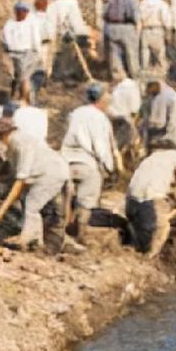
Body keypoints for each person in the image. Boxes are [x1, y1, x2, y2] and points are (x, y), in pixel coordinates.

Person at [0, 116, 74, 254]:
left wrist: (7, 203)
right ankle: (47, 242)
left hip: (51, 173)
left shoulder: (21, 142)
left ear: (2, 134)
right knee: (37, 205)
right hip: (48, 173)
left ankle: (31, 241)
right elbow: (16, 176)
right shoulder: (14, 144)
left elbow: (21, 179)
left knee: (31, 206)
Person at [61, 83, 119, 243]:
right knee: (85, 203)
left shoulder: (76, 113)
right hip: (87, 163)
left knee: (66, 199)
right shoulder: (100, 118)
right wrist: (109, 167)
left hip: (66, 161)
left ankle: (61, 233)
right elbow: (100, 146)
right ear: (101, 100)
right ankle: (80, 236)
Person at [2, 1, 46, 103]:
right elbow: (5, 38)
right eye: (18, 11)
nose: (21, 13)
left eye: (23, 11)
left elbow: (35, 38)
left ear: (26, 12)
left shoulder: (31, 23)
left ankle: (25, 98)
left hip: (28, 53)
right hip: (14, 54)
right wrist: (8, 47)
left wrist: (38, 51)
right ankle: (19, 95)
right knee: (19, 76)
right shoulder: (9, 24)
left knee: (25, 77)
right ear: (15, 12)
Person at [102, 0, 141, 81]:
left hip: (111, 27)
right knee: (131, 53)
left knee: (114, 54)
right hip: (126, 27)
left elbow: (103, 14)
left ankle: (118, 78)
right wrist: (138, 30)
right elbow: (136, 14)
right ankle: (135, 77)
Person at [138, 0, 173, 73]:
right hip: (157, 29)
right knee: (160, 51)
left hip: (145, 29)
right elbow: (166, 18)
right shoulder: (161, 3)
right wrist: (168, 31)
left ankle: (144, 69)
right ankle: (162, 71)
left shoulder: (142, 3)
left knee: (145, 51)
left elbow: (139, 17)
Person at [144, 76, 176, 151]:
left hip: (174, 108)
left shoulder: (164, 96)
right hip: (175, 106)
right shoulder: (158, 92)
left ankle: (169, 142)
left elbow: (161, 120)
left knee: (171, 126)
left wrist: (152, 125)